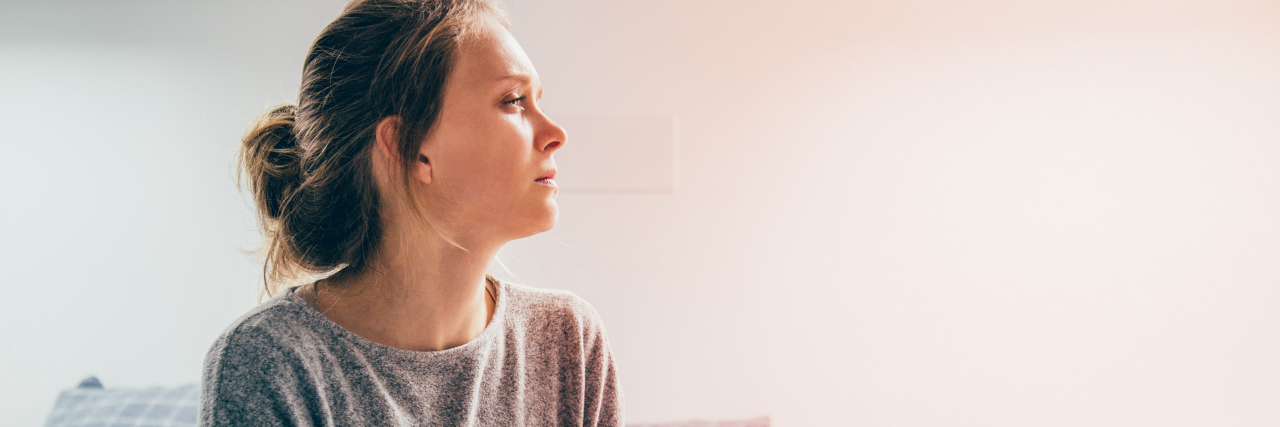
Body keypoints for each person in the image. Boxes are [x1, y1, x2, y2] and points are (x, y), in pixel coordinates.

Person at [199, 0, 623, 425]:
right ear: (409, 147)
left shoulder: (568, 341)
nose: (556, 134)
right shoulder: (269, 363)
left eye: (537, 100)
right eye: (513, 100)